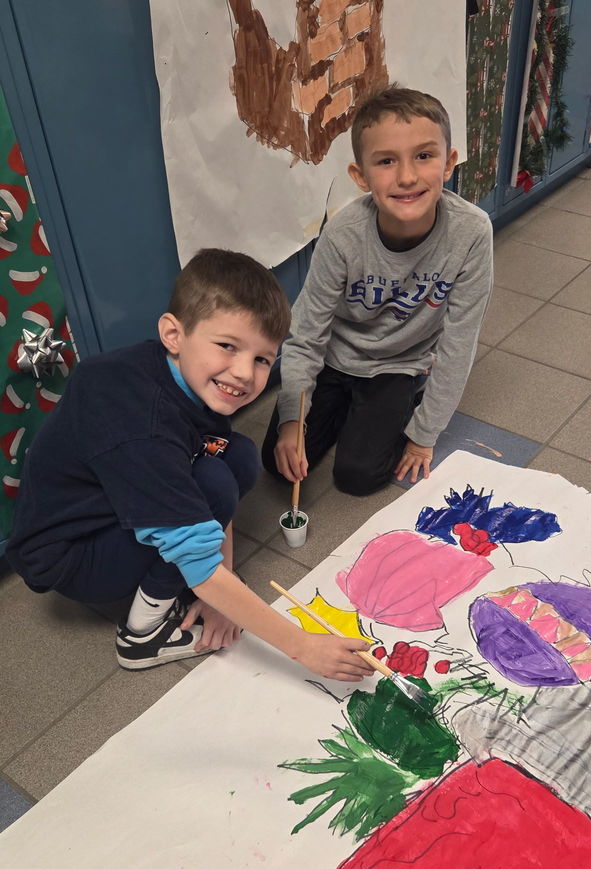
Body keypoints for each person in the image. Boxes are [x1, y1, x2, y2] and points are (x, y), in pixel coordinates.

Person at [6, 249, 372, 680]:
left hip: (106, 505)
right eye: (227, 346)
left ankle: (185, 578)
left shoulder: (182, 373)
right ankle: (141, 634)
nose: (244, 373)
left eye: (261, 358)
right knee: (213, 483)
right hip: (72, 556)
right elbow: (199, 553)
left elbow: (211, 459)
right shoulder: (143, 425)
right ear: (173, 335)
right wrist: (303, 647)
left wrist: (222, 589)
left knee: (236, 456)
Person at [262, 85, 493, 496]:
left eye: (424, 156)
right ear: (360, 176)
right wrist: (292, 421)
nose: (406, 177)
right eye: (386, 161)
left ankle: (398, 399)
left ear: (448, 164)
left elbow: (459, 345)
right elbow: (306, 333)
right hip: (336, 358)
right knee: (277, 463)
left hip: (399, 364)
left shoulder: (471, 232)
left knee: (359, 476)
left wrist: (423, 435)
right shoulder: (343, 235)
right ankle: (344, 411)